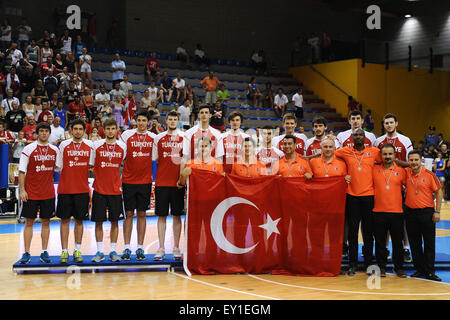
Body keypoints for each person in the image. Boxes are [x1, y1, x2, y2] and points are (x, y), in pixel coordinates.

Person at [334, 128, 382, 276]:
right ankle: (353, 264)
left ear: (365, 137)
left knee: (368, 232)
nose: (359, 137)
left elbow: (388, 161)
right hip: (352, 196)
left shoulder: (374, 151)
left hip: (369, 196)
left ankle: (368, 263)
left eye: (361, 135)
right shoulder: (345, 151)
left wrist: (407, 164)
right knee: (353, 233)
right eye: (356, 135)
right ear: (352, 138)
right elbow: (328, 154)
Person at [18, 122, 60, 264]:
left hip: (48, 192)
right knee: (29, 222)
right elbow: (21, 171)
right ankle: (26, 252)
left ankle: (44, 251)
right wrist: (22, 190)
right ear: (37, 133)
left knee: (46, 222)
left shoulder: (55, 150)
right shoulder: (28, 149)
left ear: (49, 133)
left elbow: (60, 168)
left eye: (46, 131)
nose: (43, 133)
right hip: (31, 193)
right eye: (41, 131)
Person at [120, 110, 156, 261]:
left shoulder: (154, 138)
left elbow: (156, 157)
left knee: (142, 214)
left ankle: (140, 248)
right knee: (128, 214)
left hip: (145, 182)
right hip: (128, 181)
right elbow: (121, 157)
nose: (141, 123)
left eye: (144, 120)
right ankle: (127, 248)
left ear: (148, 122)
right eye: (139, 120)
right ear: (135, 121)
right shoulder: (126, 135)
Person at [56, 119, 93, 263]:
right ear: (70, 130)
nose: (77, 131)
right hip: (65, 189)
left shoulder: (90, 146)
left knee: (79, 221)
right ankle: (64, 251)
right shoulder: (64, 145)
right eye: (75, 128)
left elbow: (92, 165)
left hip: (82, 190)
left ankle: (77, 249)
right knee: (64, 221)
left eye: (80, 129)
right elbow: (59, 166)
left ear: (84, 131)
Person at [90, 118, 127, 263]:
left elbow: (123, 164)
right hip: (99, 189)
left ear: (117, 130)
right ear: (103, 130)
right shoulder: (96, 145)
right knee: (98, 222)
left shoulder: (122, 147)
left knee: (115, 222)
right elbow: (91, 165)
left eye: (113, 128)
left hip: (115, 190)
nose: (110, 131)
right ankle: (99, 251)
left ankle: (113, 251)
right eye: (108, 129)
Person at [404, 150, 443, 281]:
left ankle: (430, 271)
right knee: (414, 244)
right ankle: (420, 269)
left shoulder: (430, 175)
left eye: (416, 160)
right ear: (408, 161)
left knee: (429, 243)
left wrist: (437, 211)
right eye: (411, 160)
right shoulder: (405, 173)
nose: (413, 163)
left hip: (427, 212)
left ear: (421, 161)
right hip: (410, 213)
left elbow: (439, 192)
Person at [152, 111, 185, 261]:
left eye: (175, 119)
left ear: (178, 121)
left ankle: (176, 247)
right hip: (161, 182)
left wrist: (181, 179)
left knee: (177, 215)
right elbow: (156, 158)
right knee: (162, 216)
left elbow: (185, 159)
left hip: (178, 183)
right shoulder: (158, 138)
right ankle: (161, 248)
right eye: (170, 119)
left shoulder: (184, 137)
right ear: (166, 121)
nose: (172, 121)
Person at [372, 144, 407, 278]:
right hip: (378, 211)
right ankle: (381, 267)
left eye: (390, 154)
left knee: (398, 242)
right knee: (380, 242)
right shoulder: (374, 169)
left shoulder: (402, 171)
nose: (387, 157)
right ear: (381, 156)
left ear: (395, 155)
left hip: (397, 212)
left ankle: (399, 268)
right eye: (385, 154)